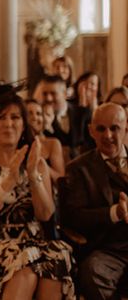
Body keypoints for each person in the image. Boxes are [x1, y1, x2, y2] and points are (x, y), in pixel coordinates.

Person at [0, 90, 75, 299]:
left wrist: (33, 176)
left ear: (24, 124)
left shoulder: (37, 163)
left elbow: (45, 214)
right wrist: (9, 181)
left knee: (57, 256)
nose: (8, 123)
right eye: (1, 117)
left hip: (34, 239)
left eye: (15, 117)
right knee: (26, 266)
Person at [61, 103, 128, 300]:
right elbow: (73, 217)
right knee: (91, 274)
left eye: (114, 128)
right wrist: (115, 212)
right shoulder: (79, 169)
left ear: (126, 127)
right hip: (108, 250)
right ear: (91, 131)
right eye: (101, 128)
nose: (108, 135)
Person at [24, 99, 65, 180]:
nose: (35, 117)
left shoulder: (53, 143)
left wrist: (39, 162)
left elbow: (60, 179)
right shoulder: (16, 146)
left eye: (38, 114)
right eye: (29, 113)